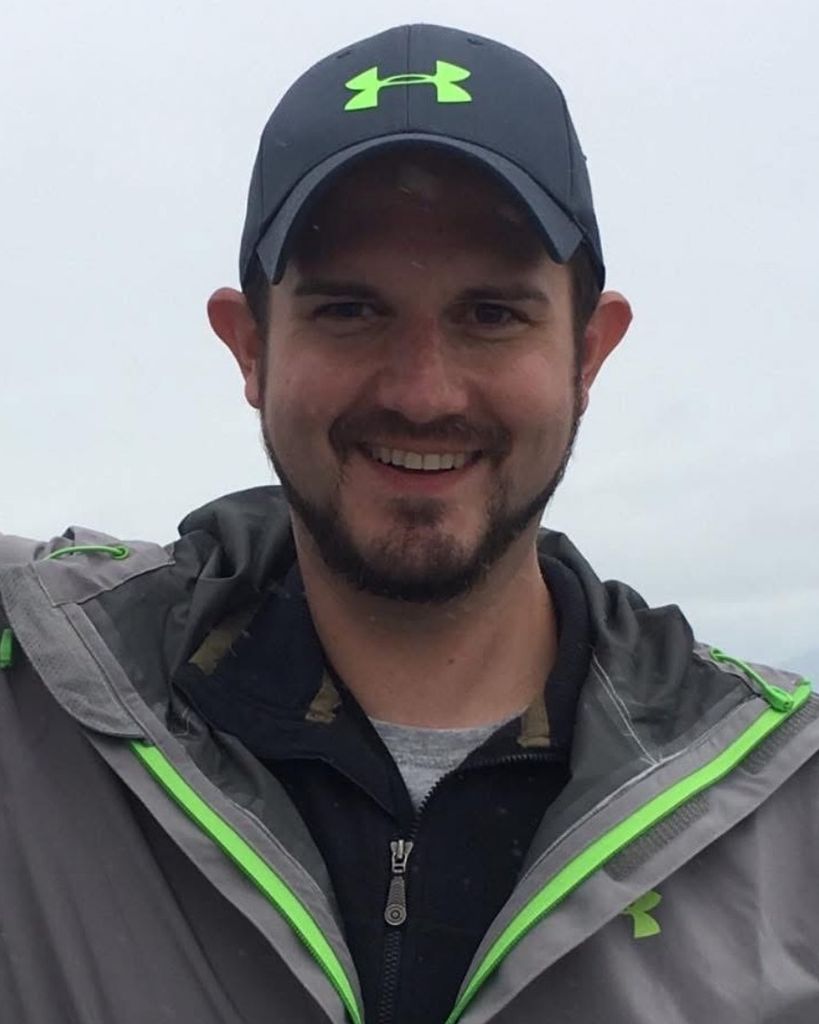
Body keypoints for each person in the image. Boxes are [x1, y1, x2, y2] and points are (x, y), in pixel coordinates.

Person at [0, 22, 816, 1024]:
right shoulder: (39, 704)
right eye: (350, 310)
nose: (423, 393)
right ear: (249, 346)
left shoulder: (786, 817)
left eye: (491, 314)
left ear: (588, 352)